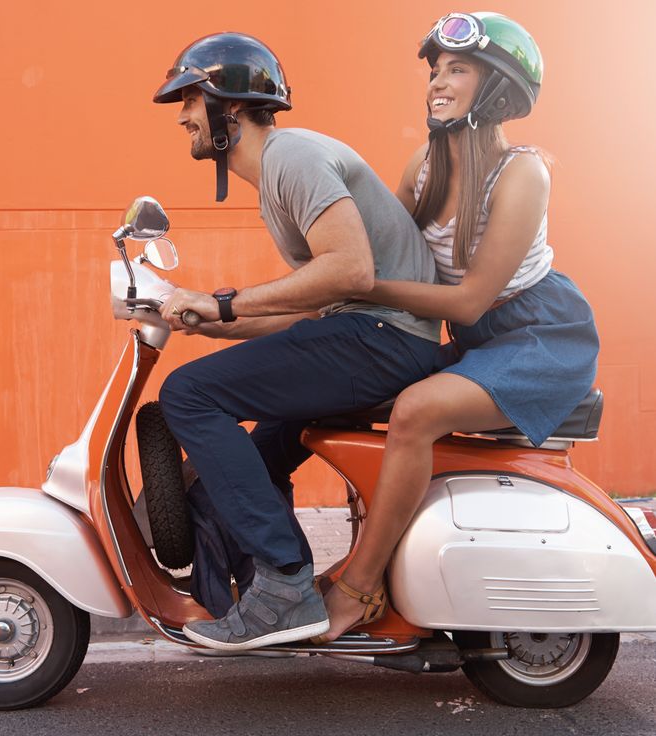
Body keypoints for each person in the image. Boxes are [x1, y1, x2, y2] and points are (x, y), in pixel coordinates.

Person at [151, 32, 441, 651]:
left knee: (189, 396)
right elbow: (308, 306)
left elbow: (350, 272)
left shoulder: (291, 157)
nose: (181, 117)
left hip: (384, 339)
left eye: (189, 101)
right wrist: (207, 317)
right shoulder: (281, 171)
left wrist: (224, 302)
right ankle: (265, 591)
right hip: (366, 334)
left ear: (227, 105)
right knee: (255, 458)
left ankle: (285, 584)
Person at [319, 11, 600, 641]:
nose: (438, 83)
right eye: (436, 70)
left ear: (497, 88)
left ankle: (359, 587)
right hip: (477, 344)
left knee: (416, 409)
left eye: (459, 69)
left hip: (541, 339)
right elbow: (382, 255)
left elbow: (471, 299)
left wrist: (356, 282)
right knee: (328, 390)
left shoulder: (524, 172)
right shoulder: (425, 164)